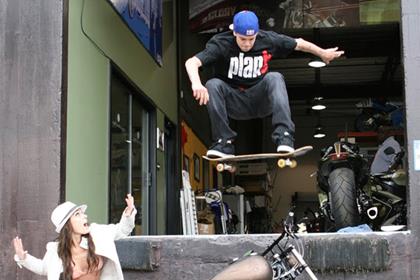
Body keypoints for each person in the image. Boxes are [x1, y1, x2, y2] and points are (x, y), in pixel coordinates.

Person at [185, 10, 344, 158]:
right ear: (234, 32)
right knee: (213, 84)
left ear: (257, 34)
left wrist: (323, 53)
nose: (247, 44)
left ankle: (284, 136)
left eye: (251, 39)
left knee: (274, 77)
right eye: (242, 39)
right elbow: (191, 62)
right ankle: (223, 143)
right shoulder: (221, 43)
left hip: (260, 101)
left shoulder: (268, 39)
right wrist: (196, 83)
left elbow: (300, 43)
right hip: (233, 102)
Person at [12, 194, 136, 280]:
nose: (85, 216)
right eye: (78, 214)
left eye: (83, 213)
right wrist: (23, 258)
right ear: (67, 225)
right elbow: (44, 268)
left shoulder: (98, 233)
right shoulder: (56, 250)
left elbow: (122, 230)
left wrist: (129, 213)